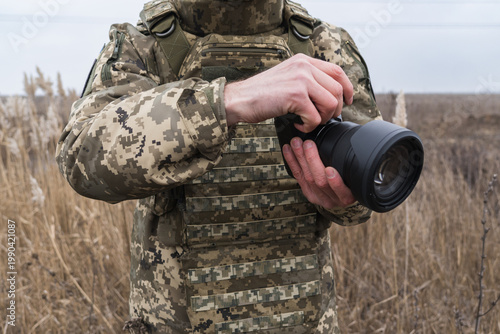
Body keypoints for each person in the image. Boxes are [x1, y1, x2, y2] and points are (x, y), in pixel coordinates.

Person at [56, 0, 382, 333]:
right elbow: (83, 157)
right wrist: (226, 102)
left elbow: (374, 177)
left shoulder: (324, 43)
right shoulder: (145, 45)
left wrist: (344, 200)